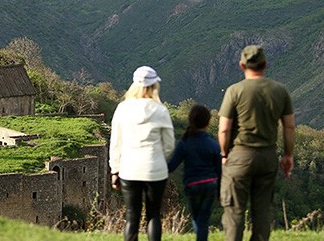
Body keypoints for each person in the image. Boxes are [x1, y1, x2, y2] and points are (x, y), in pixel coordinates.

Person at [218, 45, 295, 241]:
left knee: (235, 212)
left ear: (241, 65)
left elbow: (225, 128)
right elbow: (289, 127)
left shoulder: (235, 91)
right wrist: (287, 155)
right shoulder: (280, 91)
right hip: (268, 156)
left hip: (239, 156)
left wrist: (224, 154)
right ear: (265, 64)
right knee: (262, 212)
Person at [110, 66, 175, 241]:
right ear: (154, 85)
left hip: (129, 169)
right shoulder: (161, 110)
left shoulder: (123, 109)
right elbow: (169, 145)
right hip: (155, 169)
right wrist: (160, 159)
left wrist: (115, 170)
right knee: (153, 214)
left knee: (132, 216)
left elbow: (116, 143)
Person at [168, 104, 221, 241]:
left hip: (193, 185)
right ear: (208, 123)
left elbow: (172, 165)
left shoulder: (184, 143)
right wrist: (220, 191)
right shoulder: (214, 145)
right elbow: (219, 171)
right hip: (210, 185)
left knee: (197, 218)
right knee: (203, 219)